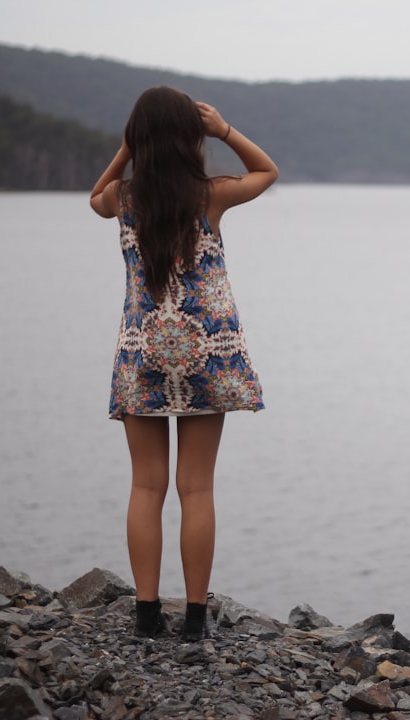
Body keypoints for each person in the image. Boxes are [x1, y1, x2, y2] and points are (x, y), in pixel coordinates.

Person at [90, 87, 278, 640]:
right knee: (196, 488)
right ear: (190, 138)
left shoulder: (123, 200)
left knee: (146, 487)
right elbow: (266, 171)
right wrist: (224, 130)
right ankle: (195, 620)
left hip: (143, 352)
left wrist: (126, 151)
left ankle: (147, 615)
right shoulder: (210, 197)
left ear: (138, 139)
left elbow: (94, 195)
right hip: (206, 351)